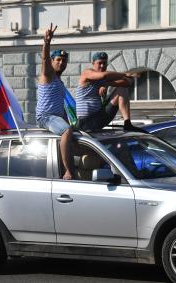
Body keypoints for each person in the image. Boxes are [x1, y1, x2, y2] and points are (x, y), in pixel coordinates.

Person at [36, 23, 74, 180]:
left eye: (64, 61)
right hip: (45, 117)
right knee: (66, 131)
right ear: (52, 61)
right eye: (58, 59)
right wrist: (47, 42)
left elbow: (61, 108)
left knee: (73, 132)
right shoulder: (48, 75)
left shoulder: (59, 82)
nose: (61, 63)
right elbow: (44, 58)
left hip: (55, 117)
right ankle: (68, 171)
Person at [76, 51, 145, 132]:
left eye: (104, 63)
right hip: (86, 121)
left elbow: (128, 82)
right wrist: (125, 74)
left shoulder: (104, 80)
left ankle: (127, 123)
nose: (102, 66)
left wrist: (108, 84)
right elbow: (104, 75)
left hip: (100, 116)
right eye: (99, 63)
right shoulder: (87, 73)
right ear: (93, 63)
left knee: (122, 89)